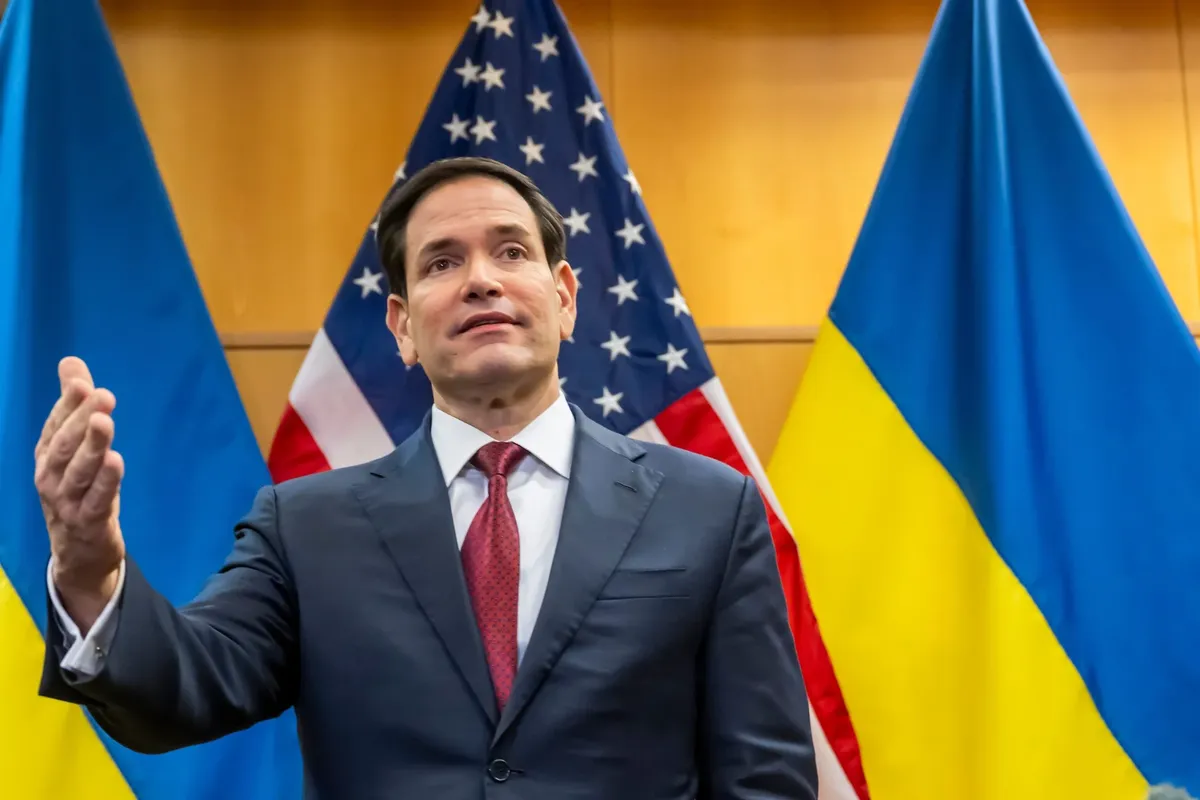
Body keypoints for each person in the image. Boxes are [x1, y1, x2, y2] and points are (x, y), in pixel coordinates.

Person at [34, 156, 820, 799]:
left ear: (565, 298)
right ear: (403, 327)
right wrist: (89, 572)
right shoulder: (305, 527)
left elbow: (764, 777)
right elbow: (187, 689)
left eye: (511, 252)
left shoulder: (709, 509)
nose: (482, 279)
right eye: (443, 262)